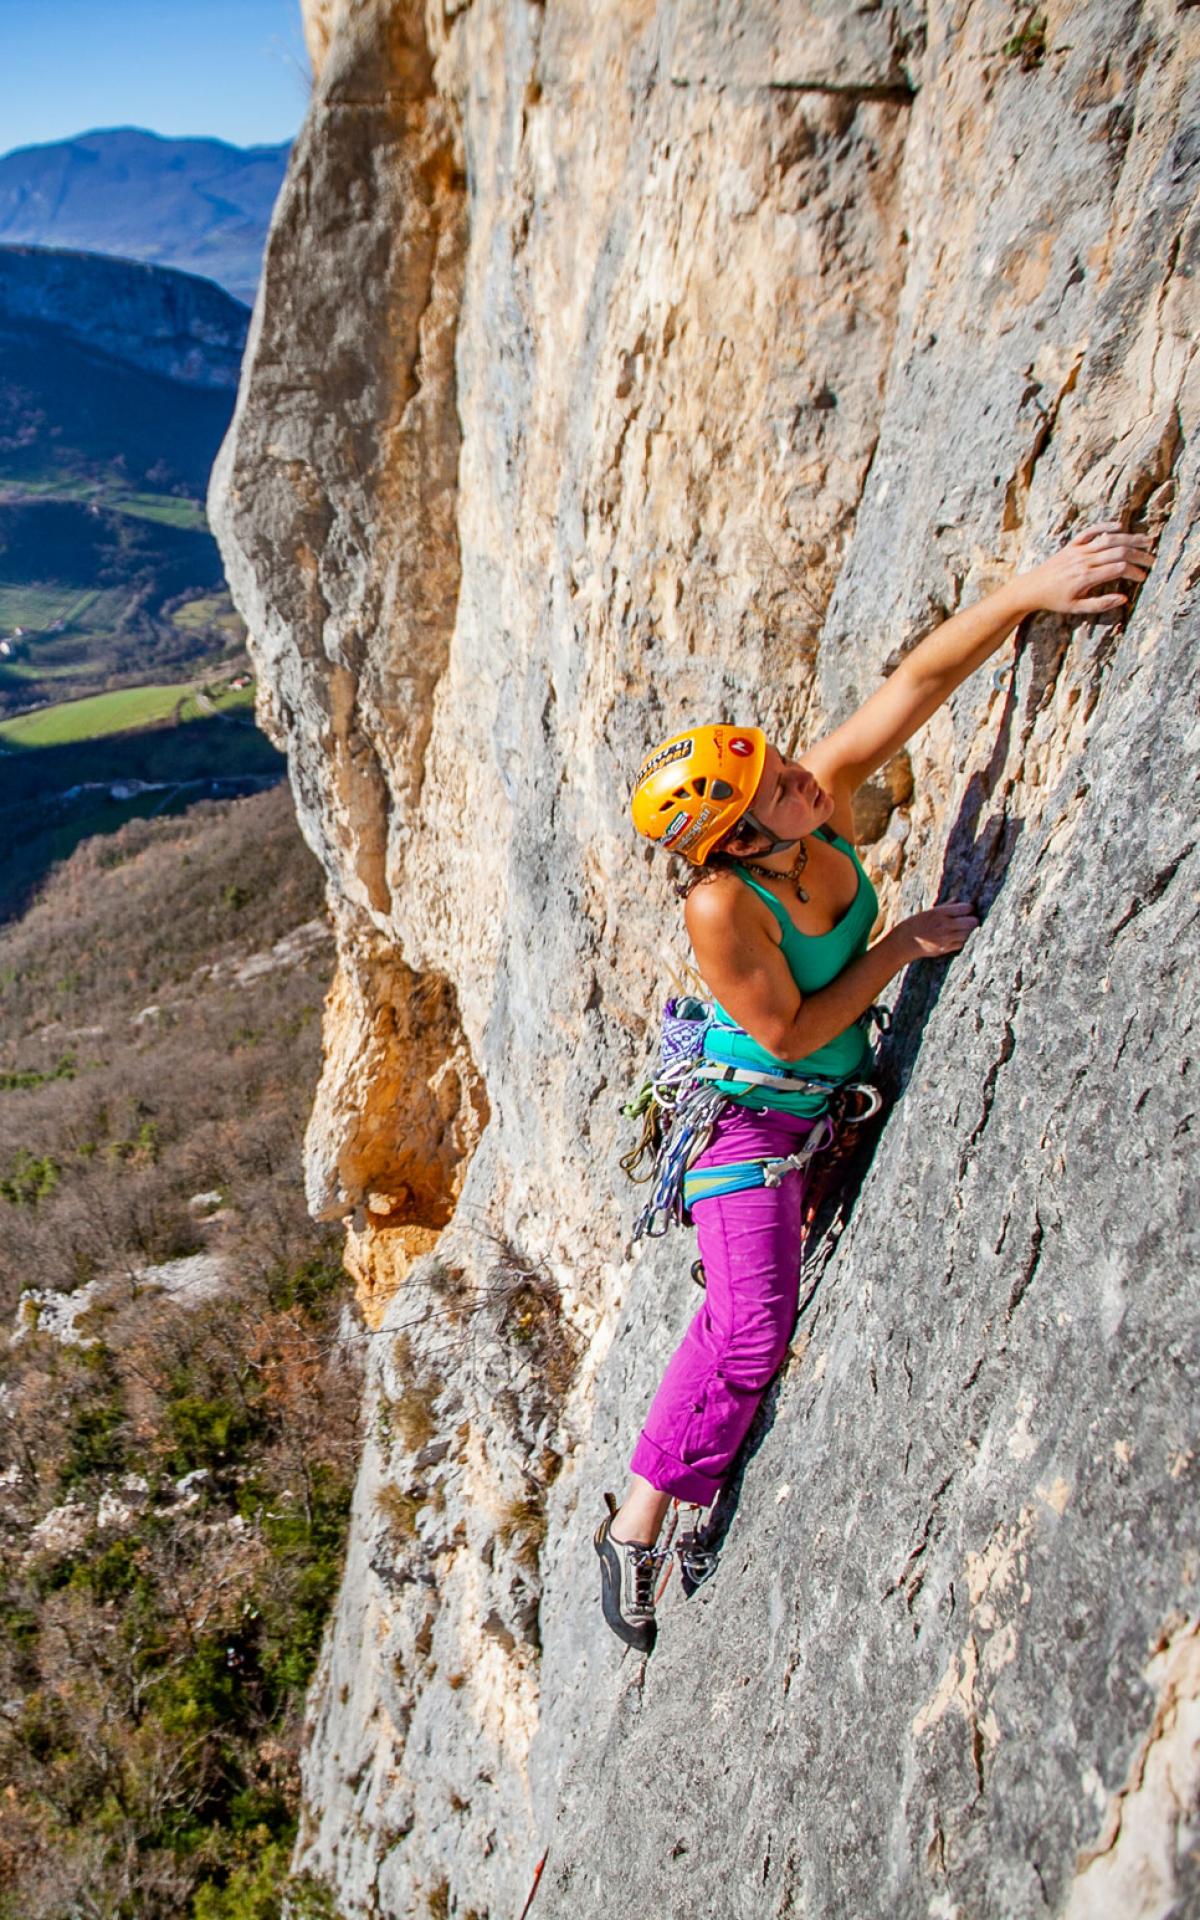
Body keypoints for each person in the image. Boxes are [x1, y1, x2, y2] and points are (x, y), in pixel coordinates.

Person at [595, 522, 1154, 1652]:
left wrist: (1033, 593)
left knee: (742, 1314)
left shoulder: (816, 810)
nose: (803, 774)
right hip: (753, 1123)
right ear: (742, 841)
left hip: (815, 1114)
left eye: (780, 764)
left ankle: (664, 1510)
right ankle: (637, 1527)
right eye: (775, 786)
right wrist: (895, 951)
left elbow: (917, 682)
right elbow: (793, 1027)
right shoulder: (722, 910)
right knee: (752, 1332)